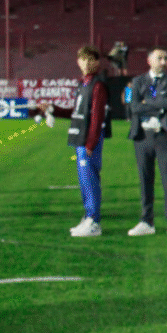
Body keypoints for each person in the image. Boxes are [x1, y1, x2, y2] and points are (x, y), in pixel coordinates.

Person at [41, 46, 111, 237]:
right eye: (83, 59)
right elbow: (76, 112)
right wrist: (53, 109)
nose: (86, 63)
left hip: (88, 140)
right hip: (80, 137)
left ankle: (94, 221)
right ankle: (88, 217)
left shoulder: (97, 85)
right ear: (78, 62)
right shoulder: (83, 84)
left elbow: (97, 117)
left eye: (90, 59)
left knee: (90, 179)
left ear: (97, 62)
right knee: (84, 180)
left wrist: (91, 143)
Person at [127, 47, 167, 238]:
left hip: (163, 136)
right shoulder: (138, 81)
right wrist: (158, 105)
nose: (164, 61)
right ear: (149, 60)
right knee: (145, 178)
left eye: (166, 58)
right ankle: (146, 221)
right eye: (160, 58)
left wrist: (147, 103)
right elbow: (134, 107)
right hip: (142, 136)